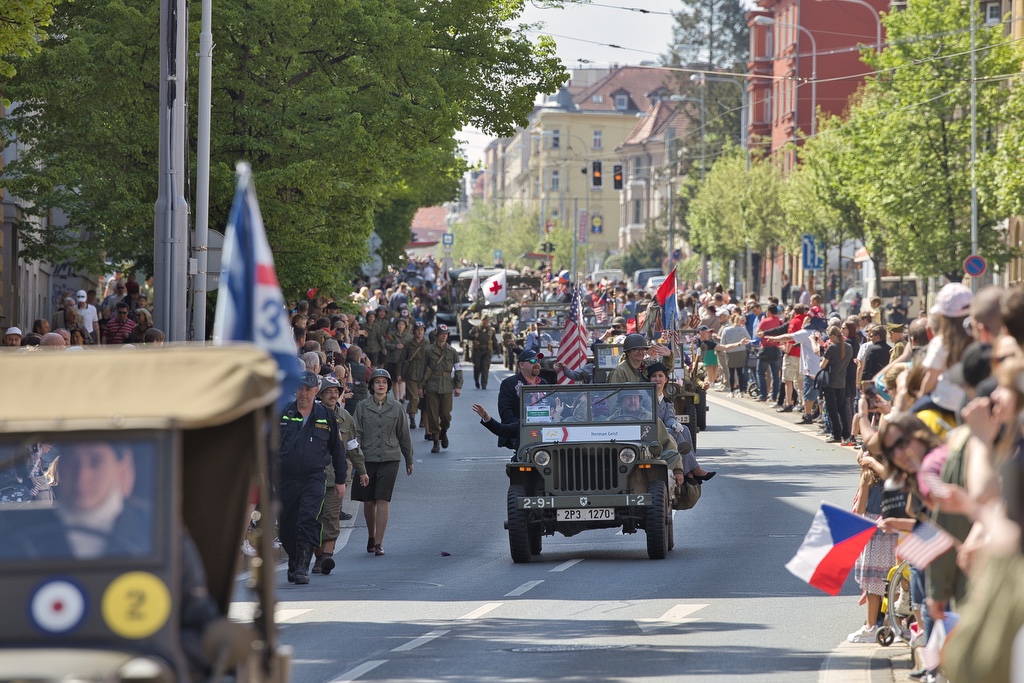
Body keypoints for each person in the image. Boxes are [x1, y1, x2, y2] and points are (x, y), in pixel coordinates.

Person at [277, 371, 347, 585]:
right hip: (286, 478)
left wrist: (340, 480)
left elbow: (337, 449)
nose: (303, 393)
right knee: (287, 527)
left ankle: (302, 566)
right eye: (300, 388)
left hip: (314, 478)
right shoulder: (283, 414)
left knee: (308, 519)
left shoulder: (326, 416)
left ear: (316, 391)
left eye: (308, 389)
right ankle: (294, 559)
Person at [352, 369, 413, 556]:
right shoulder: (362, 407)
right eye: (377, 382)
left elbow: (404, 434)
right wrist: (356, 458)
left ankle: (379, 542)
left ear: (388, 386)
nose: (381, 385)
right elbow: (356, 434)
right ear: (371, 385)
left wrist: (409, 459)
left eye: (384, 382)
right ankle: (371, 535)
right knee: (369, 502)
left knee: (383, 499)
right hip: (368, 458)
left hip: (390, 458)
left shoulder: (396, 407)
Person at [420, 324, 463, 453]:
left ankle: (443, 432)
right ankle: (435, 441)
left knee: (445, 415)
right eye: (441, 334)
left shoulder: (452, 351)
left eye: (446, 334)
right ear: (437, 335)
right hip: (432, 385)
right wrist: (420, 386)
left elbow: (458, 370)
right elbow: (422, 369)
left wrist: (458, 386)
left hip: (447, 386)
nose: (444, 336)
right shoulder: (428, 351)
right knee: (433, 415)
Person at [819, 325, 854, 444]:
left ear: (833, 336)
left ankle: (836, 433)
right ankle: (846, 434)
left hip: (831, 381)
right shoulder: (849, 348)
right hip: (842, 380)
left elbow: (822, 365)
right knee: (842, 408)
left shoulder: (832, 348)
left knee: (832, 409)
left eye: (830, 337)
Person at [498, 349, 548, 423]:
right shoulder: (509, 384)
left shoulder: (543, 383)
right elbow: (505, 413)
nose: (537, 364)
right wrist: (522, 426)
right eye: (532, 361)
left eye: (538, 361)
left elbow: (550, 406)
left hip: (543, 430)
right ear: (521, 365)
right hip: (519, 431)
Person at [402, 321, 430, 430]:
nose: (420, 331)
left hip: (424, 374)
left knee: (424, 398)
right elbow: (403, 359)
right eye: (418, 329)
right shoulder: (409, 344)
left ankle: (423, 419)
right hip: (412, 373)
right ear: (414, 331)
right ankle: (412, 418)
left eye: (422, 329)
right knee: (414, 397)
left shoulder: (428, 344)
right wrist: (400, 374)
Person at [468, 315, 499, 389]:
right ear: (481, 320)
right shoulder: (476, 328)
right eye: (484, 320)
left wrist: (498, 350)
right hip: (477, 351)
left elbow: (494, 340)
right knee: (477, 367)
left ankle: (484, 384)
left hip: (487, 351)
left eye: (487, 320)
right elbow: (469, 336)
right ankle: (476, 380)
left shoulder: (491, 330)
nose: (485, 322)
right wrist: (474, 336)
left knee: (485, 368)